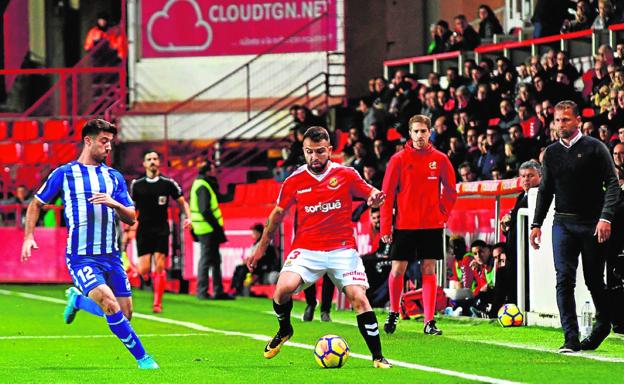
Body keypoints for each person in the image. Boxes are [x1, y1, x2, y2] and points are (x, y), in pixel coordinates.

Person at [246, 126, 392, 368]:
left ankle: (378, 357)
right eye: (309, 152)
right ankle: (285, 330)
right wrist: (260, 248)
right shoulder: (294, 180)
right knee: (282, 291)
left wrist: (375, 196)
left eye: (320, 151)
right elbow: (276, 216)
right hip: (306, 250)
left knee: (359, 298)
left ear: (330, 151)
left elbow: (370, 192)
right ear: (303, 152)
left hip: (342, 250)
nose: (315, 157)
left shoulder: (346, 174)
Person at [20, 119, 158, 369]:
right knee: (109, 303)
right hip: (81, 257)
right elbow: (36, 203)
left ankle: (78, 301)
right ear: (88, 141)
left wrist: (113, 203)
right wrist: (29, 236)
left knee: (125, 314)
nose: (108, 147)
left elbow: (131, 216)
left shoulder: (113, 177)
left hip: (111, 256)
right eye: (104, 141)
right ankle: (144, 359)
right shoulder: (64, 174)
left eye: (110, 142)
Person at [530, 100, 620, 353]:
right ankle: (570, 337)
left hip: (592, 223)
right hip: (563, 223)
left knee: (594, 280)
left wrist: (606, 218)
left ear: (578, 120)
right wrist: (536, 224)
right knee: (564, 279)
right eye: (557, 120)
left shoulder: (595, 148)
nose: (561, 124)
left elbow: (613, 184)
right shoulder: (551, 153)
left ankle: (603, 322)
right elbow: (546, 190)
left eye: (566, 119)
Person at [381, 114, 457, 335]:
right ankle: (394, 311)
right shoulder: (398, 159)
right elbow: (387, 195)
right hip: (404, 224)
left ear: (430, 132)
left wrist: (442, 212)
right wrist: (386, 227)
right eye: (416, 131)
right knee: (398, 269)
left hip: (431, 225)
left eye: (424, 131)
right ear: (410, 133)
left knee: (428, 269)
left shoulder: (441, 159)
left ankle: (429, 321)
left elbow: (451, 190)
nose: (420, 135)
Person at [129, 150, 192, 313]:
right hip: (144, 229)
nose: (152, 161)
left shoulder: (168, 183)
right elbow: (130, 208)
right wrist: (129, 226)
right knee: (143, 270)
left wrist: (189, 217)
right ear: (144, 164)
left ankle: (157, 303)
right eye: (149, 159)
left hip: (161, 228)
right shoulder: (137, 185)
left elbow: (182, 202)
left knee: (160, 265)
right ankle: (146, 278)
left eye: (155, 159)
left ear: (159, 163)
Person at [500, 160, 543, 306]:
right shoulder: (521, 196)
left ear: (540, 176)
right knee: (506, 278)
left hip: (528, 251)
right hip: (514, 250)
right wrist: (506, 227)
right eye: (523, 176)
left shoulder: (540, 196)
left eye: (530, 175)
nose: (526, 179)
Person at [190, 161, 234, 300]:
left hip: (206, 228)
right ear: (208, 171)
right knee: (207, 260)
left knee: (214, 260)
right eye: (214, 169)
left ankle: (217, 290)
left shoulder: (201, 183)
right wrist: (216, 227)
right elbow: (204, 210)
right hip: (207, 228)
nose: (216, 171)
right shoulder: (203, 186)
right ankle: (202, 291)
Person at [231, 223, 280, 296]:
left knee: (243, 269)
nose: (252, 234)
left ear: (259, 233)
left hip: (261, 267)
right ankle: (235, 289)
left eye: (254, 232)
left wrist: (250, 262)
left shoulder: (264, 245)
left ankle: (240, 290)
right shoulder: (255, 244)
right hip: (254, 265)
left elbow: (263, 259)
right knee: (239, 268)